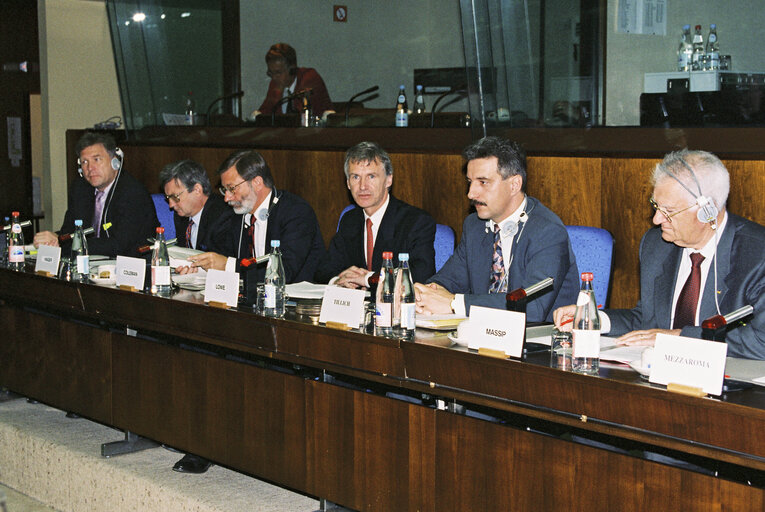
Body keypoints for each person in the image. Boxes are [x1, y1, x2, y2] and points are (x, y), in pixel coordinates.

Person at [554, 149, 765, 359]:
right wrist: (593, 318)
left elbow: (760, 342)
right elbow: (648, 321)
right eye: (656, 206)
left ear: (707, 211)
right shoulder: (657, 244)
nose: (656, 220)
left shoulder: (757, 254)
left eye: (669, 211)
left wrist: (680, 338)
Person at [414, 136, 579, 323]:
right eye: (470, 182)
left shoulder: (547, 232)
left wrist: (454, 304)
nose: (471, 193)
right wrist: (420, 294)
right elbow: (447, 281)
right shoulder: (475, 225)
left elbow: (532, 307)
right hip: (482, 337)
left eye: (483, 182)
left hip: (538, 343)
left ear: (514, 185)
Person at [185, 150, 325, 286]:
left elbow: (283, 273)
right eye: (224, 190)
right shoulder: (235, 215)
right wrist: (200, 269)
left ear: (257, 183)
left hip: (294, 303)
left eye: (232, 188)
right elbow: (219, 256)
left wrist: (228, 265)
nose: (227, 198)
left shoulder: (296, 212)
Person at [314, 141, 436, 287]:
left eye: (371, 176)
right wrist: (340, 281)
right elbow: (323, 270)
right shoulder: (350, 220)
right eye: (355, 177)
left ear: (388, 180)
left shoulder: (415, 221)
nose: (363, 186)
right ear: (347, 183)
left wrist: (369, 279)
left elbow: (420, 274)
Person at [33, 132, 157, 257]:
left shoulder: (133, 192)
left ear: (115, 162)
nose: (90, 168)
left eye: (96, 160)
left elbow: (119, 245)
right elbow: (69, 232)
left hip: (130, 266)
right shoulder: (80, 189)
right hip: (92, 264)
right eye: (84, 162)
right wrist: (54, 239)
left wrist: (66, 243)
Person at [159, 160, 233, 252]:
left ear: (197, 190)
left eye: (175, 197)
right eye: (168, 198)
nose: (171, 205)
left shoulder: (223, 217)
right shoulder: (181, 215)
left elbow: (218, 261)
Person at [251, 43, 333, 118]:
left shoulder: (309, 77)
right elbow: (266, 111)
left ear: (292, 69)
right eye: (271, 73)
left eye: (278, 72)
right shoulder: (275, 84)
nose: (274, 77)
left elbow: (298, 114)